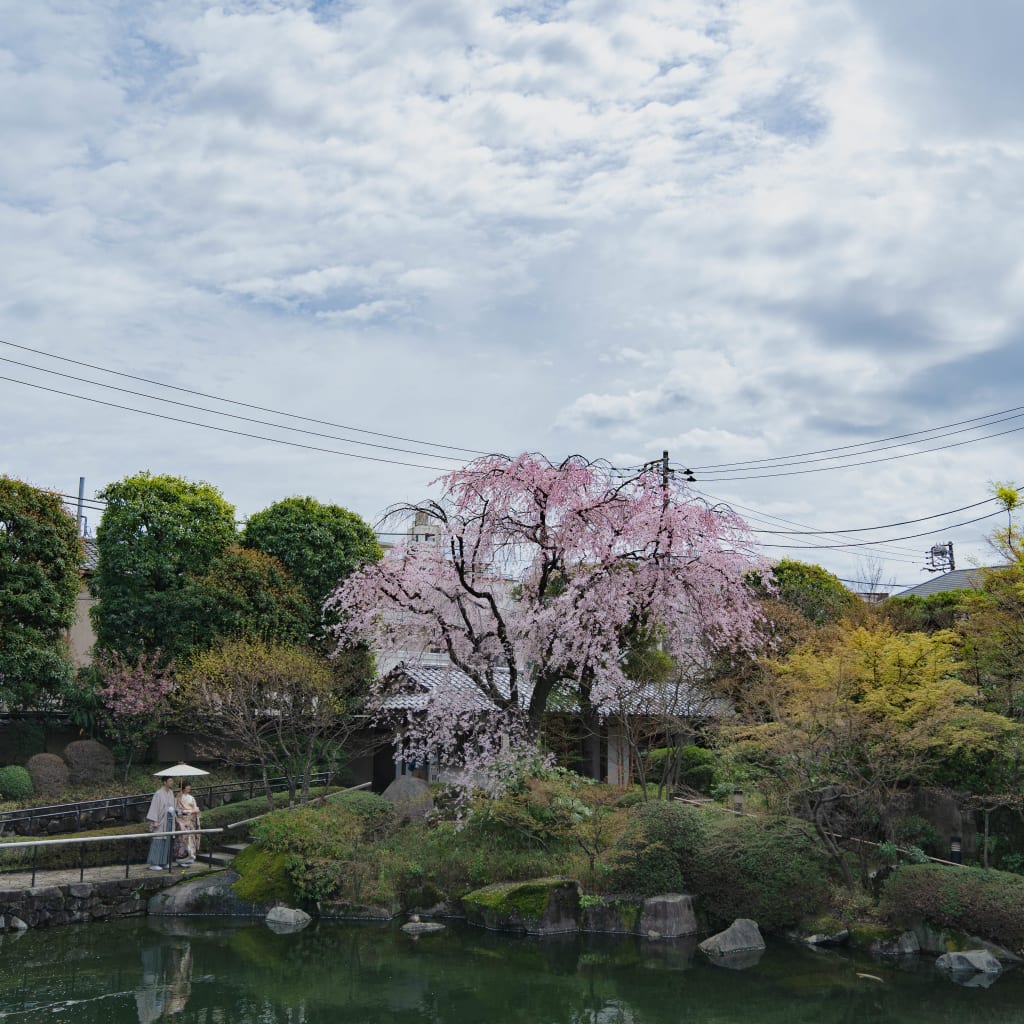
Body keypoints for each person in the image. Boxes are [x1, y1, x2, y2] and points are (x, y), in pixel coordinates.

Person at [146, 776, 176, 870]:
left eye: (172, 780)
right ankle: (154, 863)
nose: (172, 782)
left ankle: (164, 862)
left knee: (167, 840)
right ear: (164, 782)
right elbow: (154, 807)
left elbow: (173, 805)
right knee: (158, 840)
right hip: (160, 820)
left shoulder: (171, 792)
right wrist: (155, 820)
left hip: (169, 820)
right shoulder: (158, 793)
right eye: (170, 780)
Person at [174, 782, 201, 867]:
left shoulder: (191, 798)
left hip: (191, 822)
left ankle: (190, 857)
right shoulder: (178, 798)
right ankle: (182, 858)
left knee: (191, 840)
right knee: (182, 840)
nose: (189, 788)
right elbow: (177, 810)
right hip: (182, 822)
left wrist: (193, 811)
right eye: (188, 786)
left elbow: (195, 808)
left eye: (190, 786)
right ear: (183, 788)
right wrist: (185, 812)